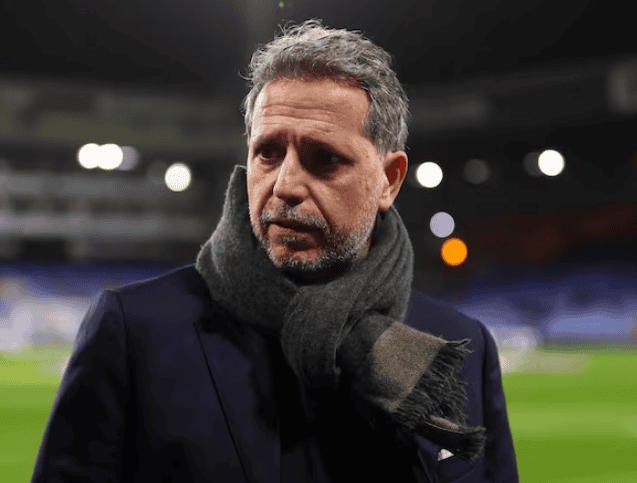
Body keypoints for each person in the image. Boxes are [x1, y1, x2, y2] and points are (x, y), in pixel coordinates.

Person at [31, 19, 518, 483]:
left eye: (324, 159)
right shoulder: (135, 332)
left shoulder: (459, 349)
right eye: (268, 152)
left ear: (388, 180)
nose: (285, 185)